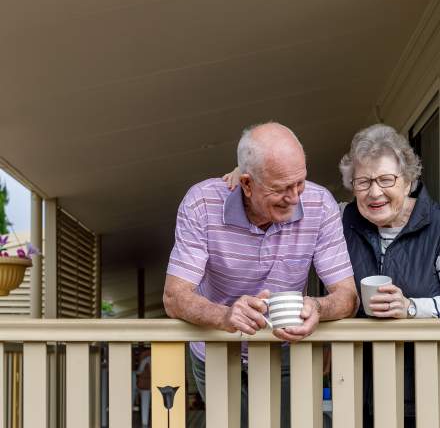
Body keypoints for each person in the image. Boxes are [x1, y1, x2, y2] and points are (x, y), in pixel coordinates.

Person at [224, 123, 439, 428]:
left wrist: (413, 308)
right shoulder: (338, 218)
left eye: (386, 180)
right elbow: (284, 187)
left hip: (425, 390)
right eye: (363, 182)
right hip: (351, 386)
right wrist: (251, 177)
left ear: (408, 182)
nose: (374, 192)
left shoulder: (438, 227)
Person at [164, 122, 359, 428]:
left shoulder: (320, 205)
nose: (294, 198)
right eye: (281, 188)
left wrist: (319, 308)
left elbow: (348, 297)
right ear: (246, 184)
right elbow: (174, 298)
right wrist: (226, 316)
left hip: (283, 349)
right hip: (215, 348)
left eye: (300, 183)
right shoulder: (201, 203)